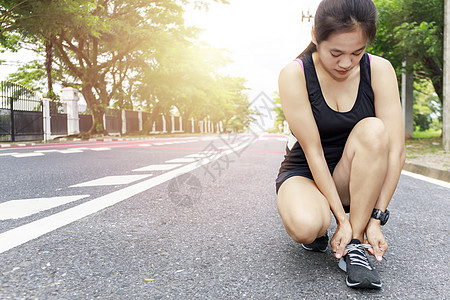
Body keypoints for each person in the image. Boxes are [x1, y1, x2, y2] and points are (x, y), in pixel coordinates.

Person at [276, 0, 406, 289]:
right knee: (306, 226)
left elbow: (395, 151)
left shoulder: (380, 70)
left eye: (356, 53)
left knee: (375, 130)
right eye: (336, 53)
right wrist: (339, 220)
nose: (346, 63)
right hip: (307, 171)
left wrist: (375, 220)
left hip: (353, 174)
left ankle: (356, 245)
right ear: (314, 36)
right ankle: (323, 229)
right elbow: (313, 152)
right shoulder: (294, 74)